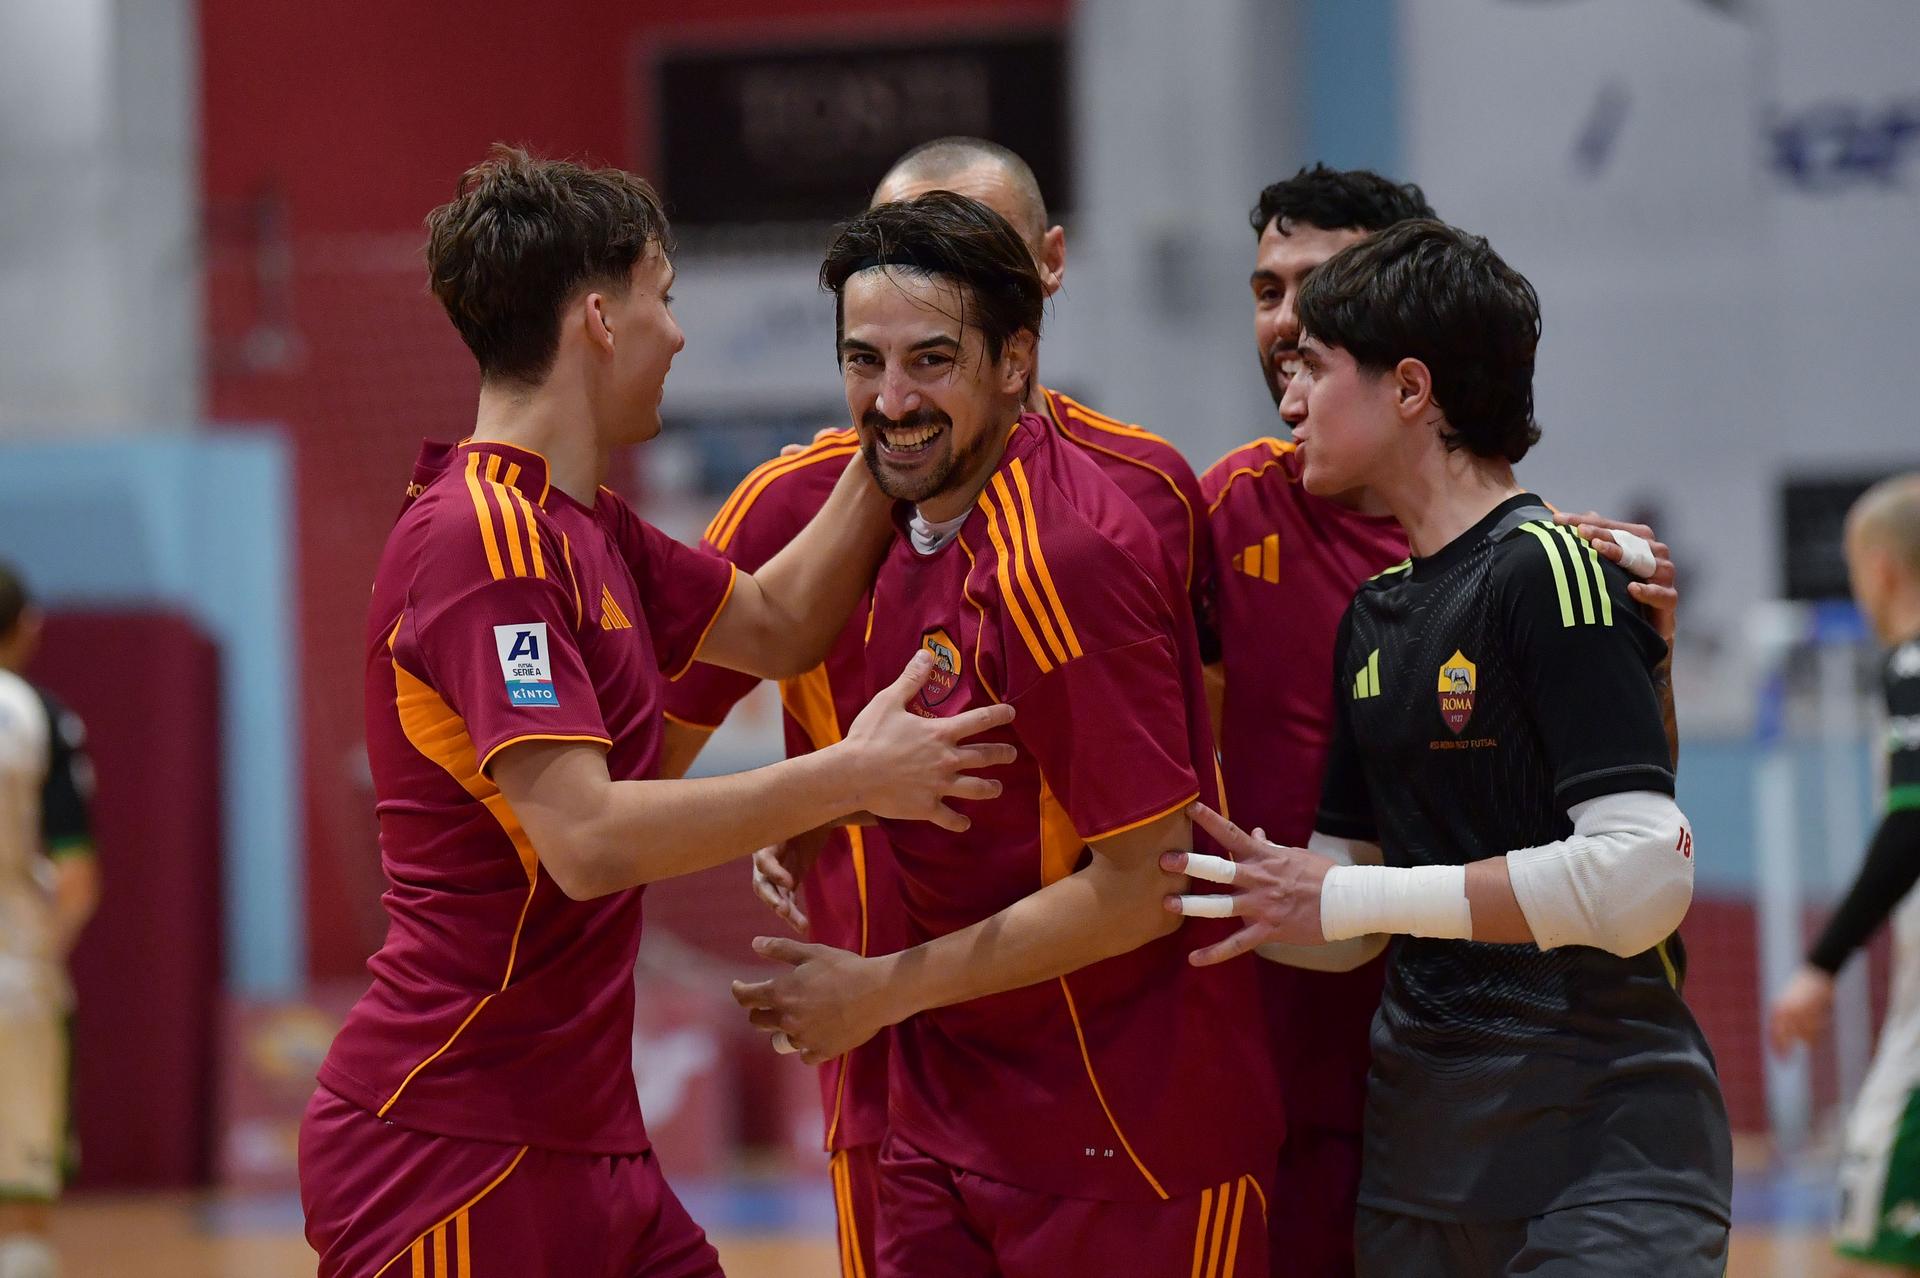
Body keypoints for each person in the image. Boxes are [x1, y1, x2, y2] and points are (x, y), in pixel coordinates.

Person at [296, 147, 1015, 1278]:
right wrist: (851, 777)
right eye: (662, 298)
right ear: (599, 318)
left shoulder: (582, 523)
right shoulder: (481, 540)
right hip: (449, 1141)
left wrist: (899, 419)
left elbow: (779, 624)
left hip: (582, 1135)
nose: (677, 335)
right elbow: (586, 841)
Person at [660, 135, 1215, 1278]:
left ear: (1028, 306)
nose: (895, 390)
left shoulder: (1115, 506)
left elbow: (1167, 832)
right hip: (887, 1077)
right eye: (867, 352)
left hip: (1102, 1088)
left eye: (934, 344)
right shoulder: (793, 507)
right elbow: (643, 764)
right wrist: (805, 803)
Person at [1170, 219, 1730, 1276]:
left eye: (1316, 369)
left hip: (1600, 1154)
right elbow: (1340, 919)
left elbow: (1644, 874)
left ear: (1410, 388)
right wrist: (1154, 892)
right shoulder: (1374, 615)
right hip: (1420, 1172)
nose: (1289, 402)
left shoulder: (1547, 567)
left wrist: (1352, 897)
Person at [1769, 473, 1920, 1276]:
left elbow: (1914, 818)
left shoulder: (1913, 664)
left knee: (1874, 1243)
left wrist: (1821, 964)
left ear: (1880, 570)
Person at [0, 564, 99, 1278]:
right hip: (16, 978)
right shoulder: (37, 715)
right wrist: (37, 955)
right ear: (27, 625)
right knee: (22, 1206)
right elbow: (75, 878)